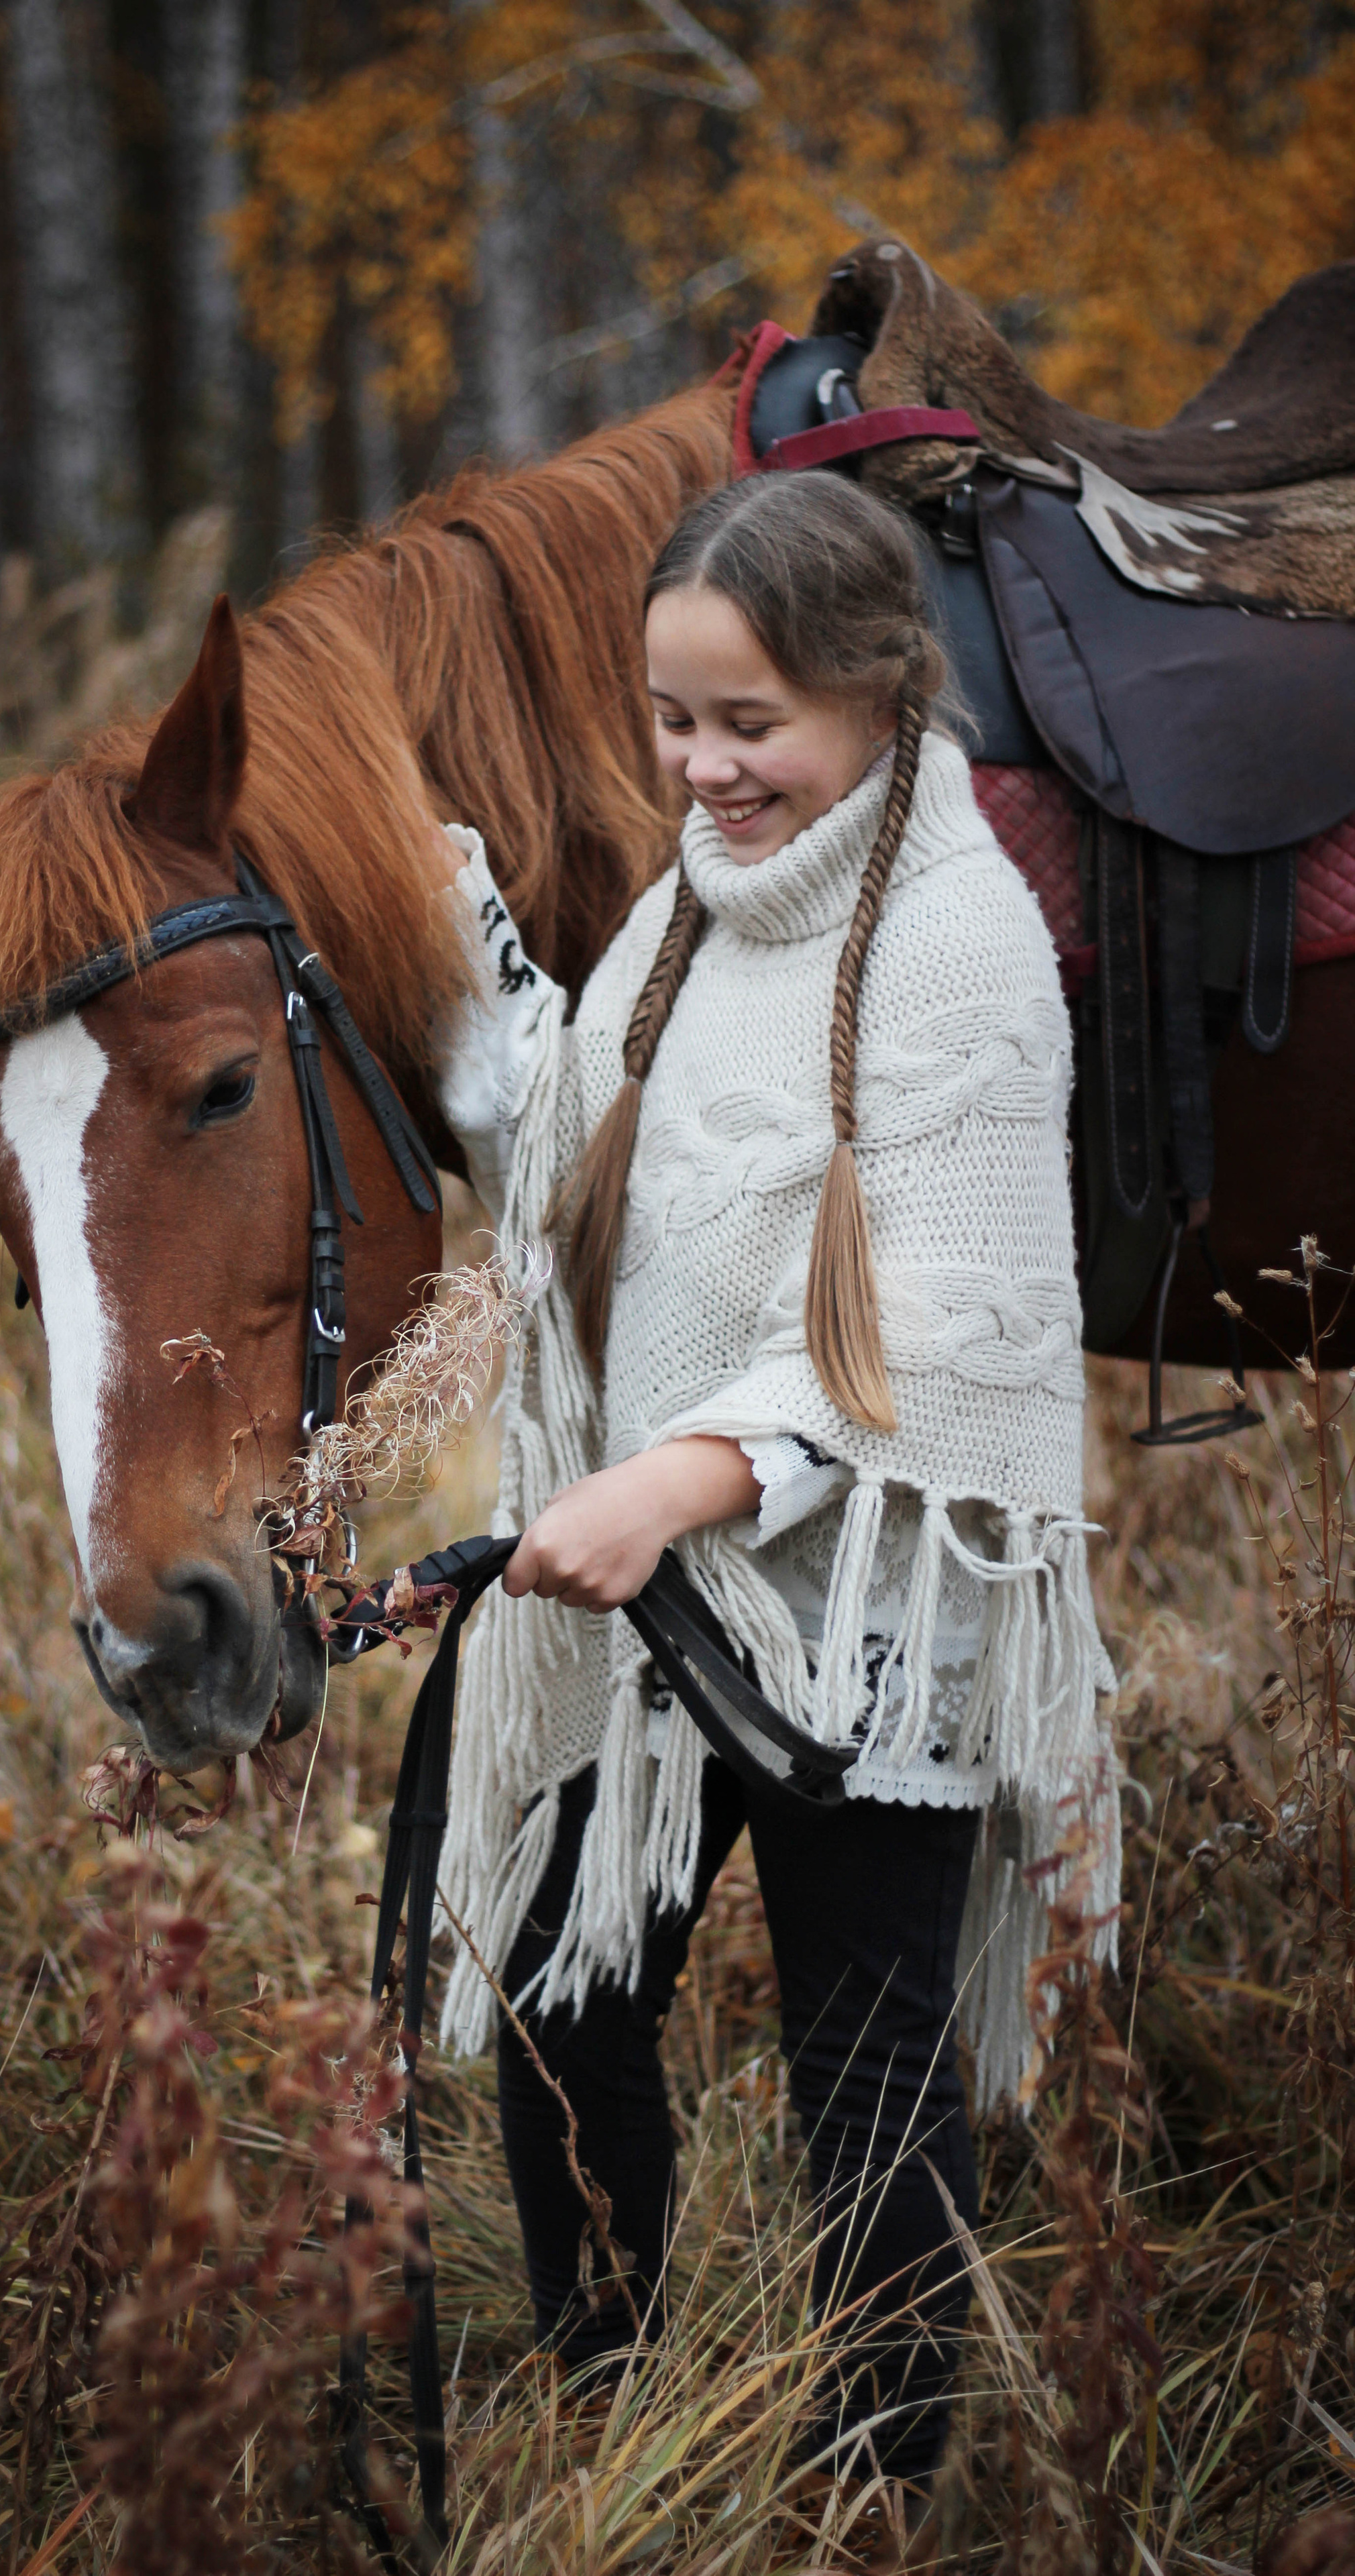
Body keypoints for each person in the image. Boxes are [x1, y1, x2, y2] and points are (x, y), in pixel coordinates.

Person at [426, 469, 1117, 2544]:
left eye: (752, 722)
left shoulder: (960, 942)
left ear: (882, 691)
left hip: (873, 1609)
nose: (705, 768)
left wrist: (680, 1474)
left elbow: (949, 1311)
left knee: (868, 2056)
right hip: (673, 1606)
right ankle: (613, 2407)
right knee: (561, 1991)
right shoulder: (686, 917)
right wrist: (460, 964)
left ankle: (868, 2493)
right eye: (672, 720)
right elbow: (580, 1159)